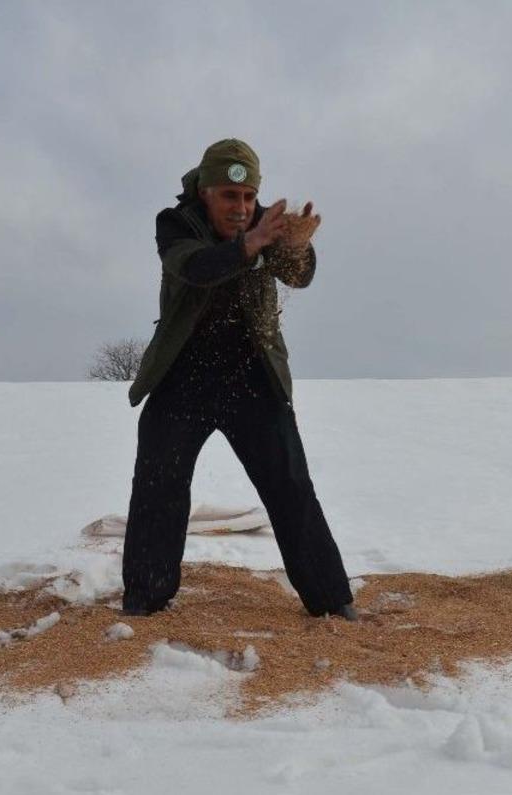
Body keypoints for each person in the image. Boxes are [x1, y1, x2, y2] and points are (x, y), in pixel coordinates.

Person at [121, 139, 356, 620]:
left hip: (253, 377)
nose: (242, 208)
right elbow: (194, 267)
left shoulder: (267, 221)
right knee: (158, 486)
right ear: (205, 192)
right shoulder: (176, 223)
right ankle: (146, 600)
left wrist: (297, 247)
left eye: (249, 196)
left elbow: (299, 276)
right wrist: (251, 244)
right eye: (230, 196)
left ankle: (332, 601)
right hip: (182, 375)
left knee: (291, 485)